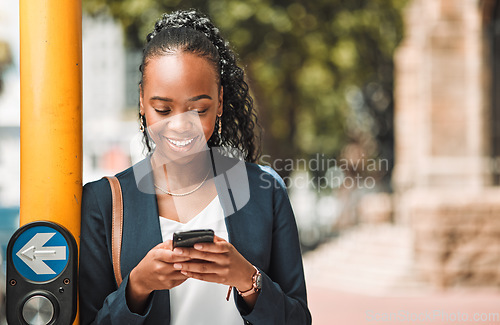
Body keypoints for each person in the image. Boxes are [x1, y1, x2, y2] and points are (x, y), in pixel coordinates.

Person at [79, 9, 311, 325]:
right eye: (163, 109)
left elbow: (298, 319)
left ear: (219, 101)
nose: (180, 125)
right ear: (142, 102)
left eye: (199, 109)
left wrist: (248, 280)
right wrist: (137, 287)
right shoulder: (104, 201)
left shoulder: (263, 191)